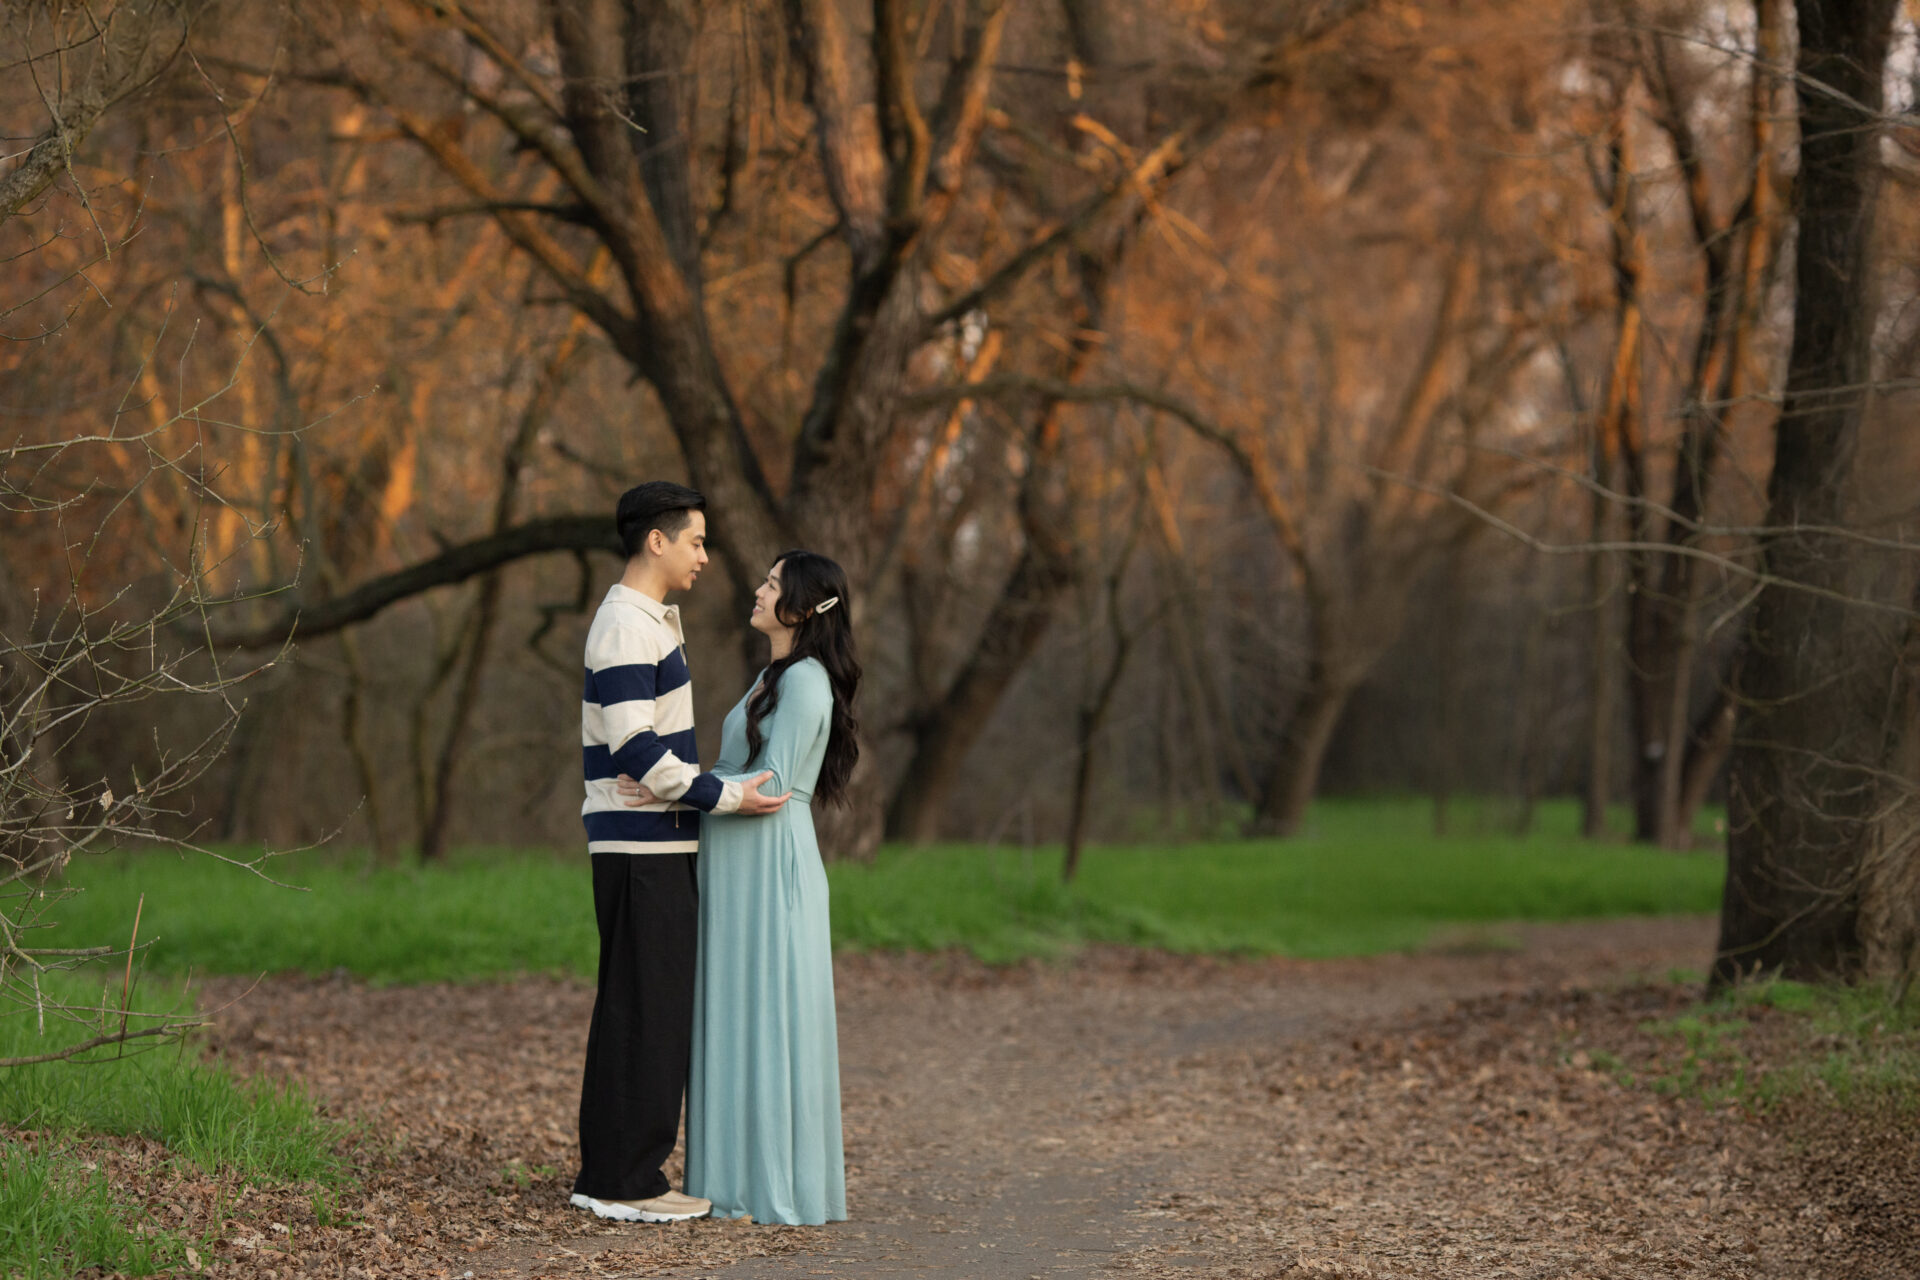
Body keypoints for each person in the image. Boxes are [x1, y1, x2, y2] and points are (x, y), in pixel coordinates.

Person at [570, 481, 789, 1225]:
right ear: (656, 540)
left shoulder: (647, 621)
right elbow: (635, 746)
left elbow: (642, 752)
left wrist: (688, 792)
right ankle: (624, 1183)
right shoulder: (628, 626)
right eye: (696, 540)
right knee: (645, 1010)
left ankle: (613, 1171)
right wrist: (724, 796)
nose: (705, 555)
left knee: (643, 1007)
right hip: (640, 849)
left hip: (650, 841)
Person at [618, 549, 857, 1226]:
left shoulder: (807, 681)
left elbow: (774, 790)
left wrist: (687, 793)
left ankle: (772, 1184)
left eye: (772, 583)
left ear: (802, 608)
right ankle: (730, 1178)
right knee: (735, 1012)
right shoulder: (773, 677)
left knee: (767, 1015)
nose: (756, 590)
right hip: (735, 860)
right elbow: (732, 775)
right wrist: (669, 785)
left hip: (769, 866)